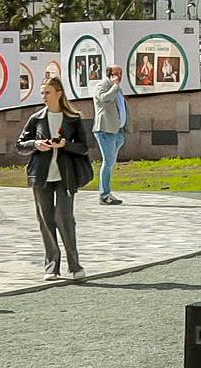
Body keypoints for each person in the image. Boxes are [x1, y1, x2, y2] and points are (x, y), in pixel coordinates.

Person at [19, 77, 91, 279]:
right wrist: (35, 144)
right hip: (41, 176)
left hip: (65, 176)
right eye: (42, 93)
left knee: (64, 217)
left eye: (47, 92)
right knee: (46, 220)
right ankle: (52, 266)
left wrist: (65, 144)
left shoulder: (73, 118)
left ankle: (75, 266)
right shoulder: (36, 118)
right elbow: (20, 144)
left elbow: (84, 147)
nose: (44, 97)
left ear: (59, 93)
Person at [90, 65, 129, 205]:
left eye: (120, 73)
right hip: (105, 130)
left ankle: (107, 192)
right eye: (115, 73)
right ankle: (104, 195)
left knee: (111, 164)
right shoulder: (102, 85)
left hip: (117, 132)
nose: (119, 75)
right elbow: (104, 99)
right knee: (108, 162)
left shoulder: (118, 88)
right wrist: (114, 87)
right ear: (109, 74)